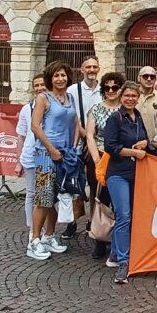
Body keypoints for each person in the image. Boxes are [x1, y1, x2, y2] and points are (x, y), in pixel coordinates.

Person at [28, 61, 81, 261]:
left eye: (63, 75)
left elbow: (76, 123)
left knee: (55, 197)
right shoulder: (44, 98)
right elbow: (35, 126)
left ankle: (49, 236)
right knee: (43, 197)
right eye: (57, 75)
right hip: (45, 153)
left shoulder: (70, 98)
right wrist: (51, 148)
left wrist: (74, 147)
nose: (61, 79)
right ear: (51, 78)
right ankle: (34, 239)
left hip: (65, 153)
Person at [102, 80, 149, 284]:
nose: (130, 99)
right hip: (118, 173)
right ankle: (123, 262)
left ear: (138, 98)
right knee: (124, 215)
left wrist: (145, 143)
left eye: (134, 96)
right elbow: (110, 146)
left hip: (135, 172)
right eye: (127, 96)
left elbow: (145, 138)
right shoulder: (115, 118)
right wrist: (134, 152)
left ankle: (114, 253)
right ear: (121, 97)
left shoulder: (137, 117)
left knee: (130, 215)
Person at [85, 71, 124, 262]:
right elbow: (90, 135)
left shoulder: (126, 109)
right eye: (107, 87)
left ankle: (117, 240)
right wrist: (95, 159)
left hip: (120, 158)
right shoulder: (96, 109)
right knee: (99, 198)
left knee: (119, 201)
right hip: (100, 156)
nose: (111, 91)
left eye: (115, 87)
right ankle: (100, 238)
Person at [63, 55, 101, 240]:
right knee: (74, 185)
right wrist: (86, 135)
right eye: (89, 67)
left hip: (97, 143)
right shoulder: (72, 90)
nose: (92, 70)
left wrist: (93, 139)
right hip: (78, 142)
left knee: (95, 185)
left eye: (95, 67)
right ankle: (72, 222)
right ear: (82, 69)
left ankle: (93, 222)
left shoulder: (105, 90)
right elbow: (72, 116)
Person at [16, 73, 47, 251]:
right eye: (36, 85)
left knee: (45, 195)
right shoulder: (27, 109)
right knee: (31, 193)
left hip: (47, 154)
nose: (39, 88)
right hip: (29, 155)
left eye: (42, 84)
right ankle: (32, 228)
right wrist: (18, 160)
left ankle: (44, 228)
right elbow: (20, 135)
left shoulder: (52, 105)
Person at [135, 65, 157, 138]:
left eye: (152, 77)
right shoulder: (131, 95)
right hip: (131, 143)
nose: (149, 79)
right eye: (145, 76)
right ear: (139, 78)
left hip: (152, 144)